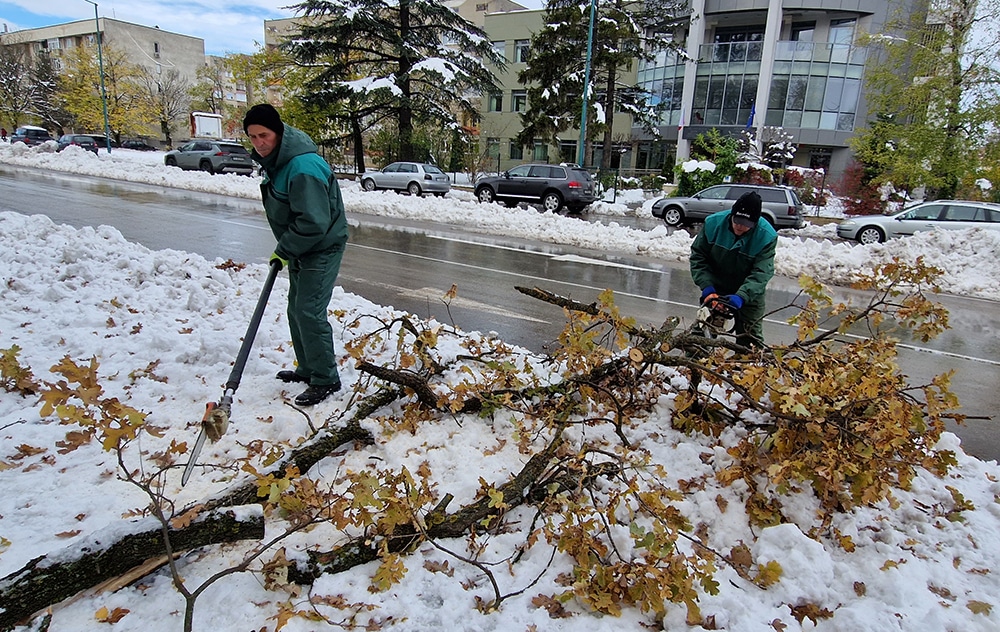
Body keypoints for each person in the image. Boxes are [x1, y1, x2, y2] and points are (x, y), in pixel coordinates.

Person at [243, 103, 349, 406]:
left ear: (278, 132)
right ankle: (308, 368)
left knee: (309, 310)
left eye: (264, 135)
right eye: (252, 137)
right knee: (295, 308)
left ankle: (326, 378)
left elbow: (314, 221)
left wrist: (285, 249)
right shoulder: (281, 161)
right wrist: (289, 249)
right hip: (303, 245)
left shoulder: (302, 167)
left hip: (322, 245)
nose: (259, 143)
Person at [689, 191, 777, 347]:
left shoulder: (766, 236)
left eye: (746, 224)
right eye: (737, 221)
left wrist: (742, 296)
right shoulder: (713, 224)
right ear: (732, 215)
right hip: (716, 286)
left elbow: (761, 273)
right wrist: (707, 287)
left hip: (749, 292)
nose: (740, 227)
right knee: (702, 332)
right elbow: (698, 257)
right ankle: (692, 366)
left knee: (750, 339)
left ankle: (747, 367)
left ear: (755, 223)